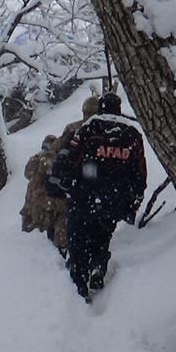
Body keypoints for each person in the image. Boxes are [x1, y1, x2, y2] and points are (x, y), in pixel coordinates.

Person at [46, 93, 147, 303]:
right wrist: (133, 200)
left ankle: (80, 285)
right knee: (102, 237)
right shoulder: (133, 135)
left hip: (84, 196)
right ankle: (98, 265)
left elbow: (68, 158)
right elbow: (139, 173)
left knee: (78, 241)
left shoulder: (88, 129)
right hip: (114, 200)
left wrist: (62, 183)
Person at [45, 95, 100, 256]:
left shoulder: (72, 129)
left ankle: (64, 241)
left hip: (74, 182)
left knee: (68, 209)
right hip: (98, 183)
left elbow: (57, 153)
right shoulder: (106, 129)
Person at [21, 135, 59, 233]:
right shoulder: (51, 158)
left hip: (33, 198)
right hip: (43, 197)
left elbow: (27, 173)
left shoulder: (36, 158)